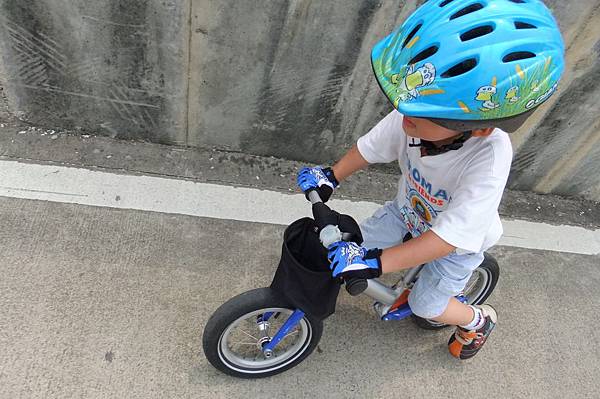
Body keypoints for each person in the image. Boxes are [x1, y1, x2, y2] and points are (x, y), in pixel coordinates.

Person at [297, 0, 565, 360]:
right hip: (407, 213)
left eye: (422, 113)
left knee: (427, 306)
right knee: (348, 243)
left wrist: (375, 263)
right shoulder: (414, 116)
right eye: (407, 106)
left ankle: (476, 320)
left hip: (454, 246)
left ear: (479, 127)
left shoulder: (489, 158)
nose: (405, 116)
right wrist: (331, 177)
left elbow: (446, 239)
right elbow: (370, 148)